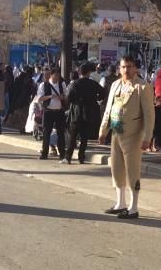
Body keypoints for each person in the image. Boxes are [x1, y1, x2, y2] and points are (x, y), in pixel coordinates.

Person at [98, 55, 155, 219]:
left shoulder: (142, 87)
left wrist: (147, 137)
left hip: (134, 136)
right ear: (119, 69)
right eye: (123, 67)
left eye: (129, 66)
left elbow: (149, 115)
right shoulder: (115, 85)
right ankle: (120, 202)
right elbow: (108, 110)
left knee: (132, 171)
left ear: (135, 68)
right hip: (117, 132)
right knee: (116, 169)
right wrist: (103, 131)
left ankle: (133, 207)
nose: (126, 70)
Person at [64, 62, 106, 164]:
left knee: (72, 136)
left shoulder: (75, 83)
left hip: (76, 111)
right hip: (88, 112)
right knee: (84, 137)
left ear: (80, 72)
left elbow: (68, 97)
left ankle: (68, 157)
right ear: (89, 73)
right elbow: (103, 92)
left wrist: (74, 102)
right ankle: (81, 158)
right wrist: (96, 99)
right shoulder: (93, 83)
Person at [36, 70, 67, 161]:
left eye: (58, 76)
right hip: (48, 111)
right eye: (55, 76)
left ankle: (62, 153)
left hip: (59, 111)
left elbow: (66, 96)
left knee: (61, 133)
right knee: (46, 133)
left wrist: (62, 97)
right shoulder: (43, 85)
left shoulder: (62, 84)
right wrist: (50, 96)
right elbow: (39, 98)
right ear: (51, 75)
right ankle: (45, 152)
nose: (56, 78)